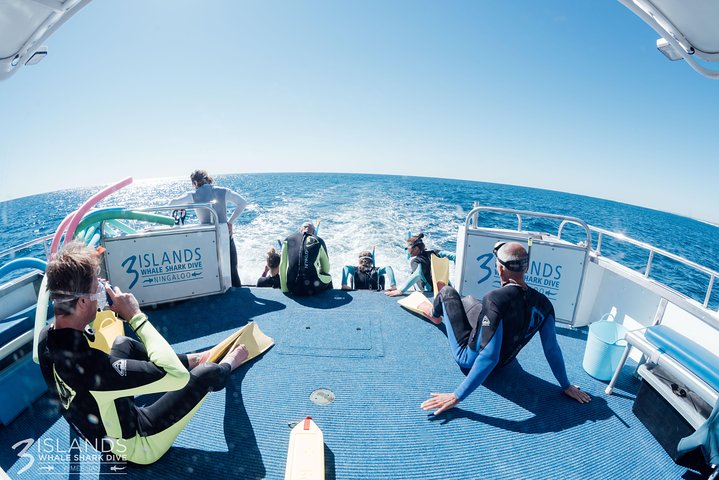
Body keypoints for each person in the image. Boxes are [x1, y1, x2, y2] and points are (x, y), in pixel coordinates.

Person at [37, 242, 249, 465]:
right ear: (81, 301)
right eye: (96, 288)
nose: (103, 289)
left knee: (122, 344)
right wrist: (135, 316)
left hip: (105, 425)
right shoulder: (93, 370)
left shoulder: (46, 337)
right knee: (207, 373)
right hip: (134, 447)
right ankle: (227, 365)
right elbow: (176, 377)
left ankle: (193, 359)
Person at [417, 242, 591, 415]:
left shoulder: (495, 300)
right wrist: (566, 385)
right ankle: (458, 308)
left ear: (500, 269)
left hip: (470, 359)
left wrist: (456, 396)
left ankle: (434, 313)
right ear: (527, 267)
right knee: (471, 302)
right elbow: (552, 349)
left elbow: (489, 357)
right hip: (506, 361)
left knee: (447, 292)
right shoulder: (544, 303)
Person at [170, 170, 247, 287]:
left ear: (195, 182)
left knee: (212, 272)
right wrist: (230, 222)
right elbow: (242, 203)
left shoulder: (193, 195)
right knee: (232, 271)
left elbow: (171, 203)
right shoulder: (223, 191)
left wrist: (182, 207)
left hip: (207, 238)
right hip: (225, 235)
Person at [385, 233, 455, 297]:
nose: (407, 250)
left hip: (432, 294)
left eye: (407, 248)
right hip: (449, 291)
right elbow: (454, 256)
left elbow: (417, 274)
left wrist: (401, 290)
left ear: (416, 248)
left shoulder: (416, 261)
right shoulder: (435, 253)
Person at [279, 222, 332, 295]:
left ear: (300, 230)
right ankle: (328, 298)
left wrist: (284, 288)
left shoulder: (288, 240)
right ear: (314, 232)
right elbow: (326, 269)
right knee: (328, 277)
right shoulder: (319, 241)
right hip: (313, 287)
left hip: (292, 286)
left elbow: (282, 265)